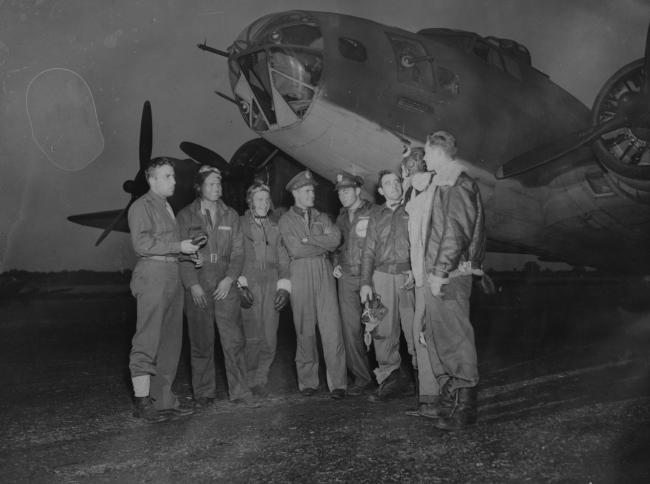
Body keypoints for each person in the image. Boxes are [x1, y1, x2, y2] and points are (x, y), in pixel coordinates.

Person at [405, 131, 485, 430]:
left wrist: (439, 273)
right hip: (438, 272)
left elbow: (454, 231)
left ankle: (466, 409)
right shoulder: (442, 182)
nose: (423, 158)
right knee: (439, 338)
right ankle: (454, 401)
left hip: (449, 274)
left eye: (426, 152)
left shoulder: (456, 182)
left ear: (438, 152)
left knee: (455, 338)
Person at [127, 157, 199, 423]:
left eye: (173, 176)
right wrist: (179, 246)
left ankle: (164, 400)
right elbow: (142, 243)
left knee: (170, 342)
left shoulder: (167, 207)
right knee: (147, 340)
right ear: (152, 179)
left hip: (172, 273)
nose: (173, 181)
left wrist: (189, 255)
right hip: (153, 274)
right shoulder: (141, 207)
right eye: (167, 176)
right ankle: (142, 402)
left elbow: (172, 245)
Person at [177, 165, 253, 407]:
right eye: (211, 184)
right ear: (199, 187)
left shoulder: (231, 215)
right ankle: (203, 392)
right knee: (201, 341)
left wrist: (229, 279)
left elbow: (239, 253)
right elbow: (181, 254)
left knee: (233, 340)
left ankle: (240, 391)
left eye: (219, 184)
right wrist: (191, 285)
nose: (217, 188)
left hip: (224, 282)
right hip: (199, 282)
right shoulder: (185, 216)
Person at [278, 170, 347, 399]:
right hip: (300, 273)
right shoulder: (286, 221)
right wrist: (322, 244)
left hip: (323, 270)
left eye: (313, 190)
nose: (312, 194)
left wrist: (310, 240)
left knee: (332, 328)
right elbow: (295, 249)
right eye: (308, 191)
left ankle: (338, 383)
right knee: (304, 328)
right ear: (296, 193)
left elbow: (336, 239)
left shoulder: (321, 216)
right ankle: (308, 381)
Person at [359, 170, 416, 402]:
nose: (393, 186)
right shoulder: (375, 215)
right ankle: (390, 380)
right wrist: (365, 283)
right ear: (380, 191)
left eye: (397, 182)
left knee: (416, 328)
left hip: (407, 277)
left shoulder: (413, 209)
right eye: (387, 184)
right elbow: (368, 252)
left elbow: (420, 242)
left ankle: (424, 381)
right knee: (379, 329)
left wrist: (414, 266)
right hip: (380, 277)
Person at [238, 182, 291, 397]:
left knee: (269, 336)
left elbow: (284, 260)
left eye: (266, 199)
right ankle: (247, 378)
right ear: (250, 201)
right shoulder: (240, 225)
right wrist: (240, 284)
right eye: (259, 199)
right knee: (251, 336)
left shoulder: (275, 227)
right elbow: (233, 256)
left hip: (271, 283)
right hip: (249, 282)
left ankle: (261, 378)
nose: (263, 203)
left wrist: (284, 287)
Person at [332, 171, 375, 396]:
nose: (342, 196)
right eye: (340, 192)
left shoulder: (373, 212)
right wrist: (336, 262)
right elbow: (337, 246)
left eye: (346, 191)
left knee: (377, 325)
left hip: (370, 277)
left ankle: (389, 374)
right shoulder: (339, 218)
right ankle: (362, 377)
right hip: (347, 279)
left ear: (358, 190)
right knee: (351, 330)